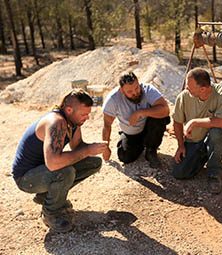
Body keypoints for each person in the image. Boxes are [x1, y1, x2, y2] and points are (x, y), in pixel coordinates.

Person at [12, 89, 108, 233]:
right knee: (65, 171)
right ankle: (51, 212)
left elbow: (78, 147)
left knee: (93, 163)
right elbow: (53, 163)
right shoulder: (56, 122)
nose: (87, 118)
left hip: (43, 171)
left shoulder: (72, 121)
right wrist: (87, 150)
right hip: (26, 178)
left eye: (88, 114)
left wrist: (96, 147)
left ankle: (46, 196)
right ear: (69, 110)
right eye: (84, 114)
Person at [172, 67, 222, 194]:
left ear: (202, 89)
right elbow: (177, 122)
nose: (186, 88)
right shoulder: (184, 96)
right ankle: (204, 155)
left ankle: (214, 173)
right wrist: (180, 146)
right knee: (180, 173)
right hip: (196, 139)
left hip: (220, 136)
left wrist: (194, 122)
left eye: (189, 86)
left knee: (216, 133)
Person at [102, 72, 170, 168]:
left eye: (137, 88)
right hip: (131, 133)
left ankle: (151, 150)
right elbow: (107, 125)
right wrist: (106, 148)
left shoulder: (147, 89)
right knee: (125, 157)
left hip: (148, 128)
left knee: (160, 116)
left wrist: (141, 112)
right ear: (122, 90)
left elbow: (165, 110)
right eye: (129, 91)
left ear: (139, 83)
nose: (135, 93)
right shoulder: (113, 99)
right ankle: (140, 144)